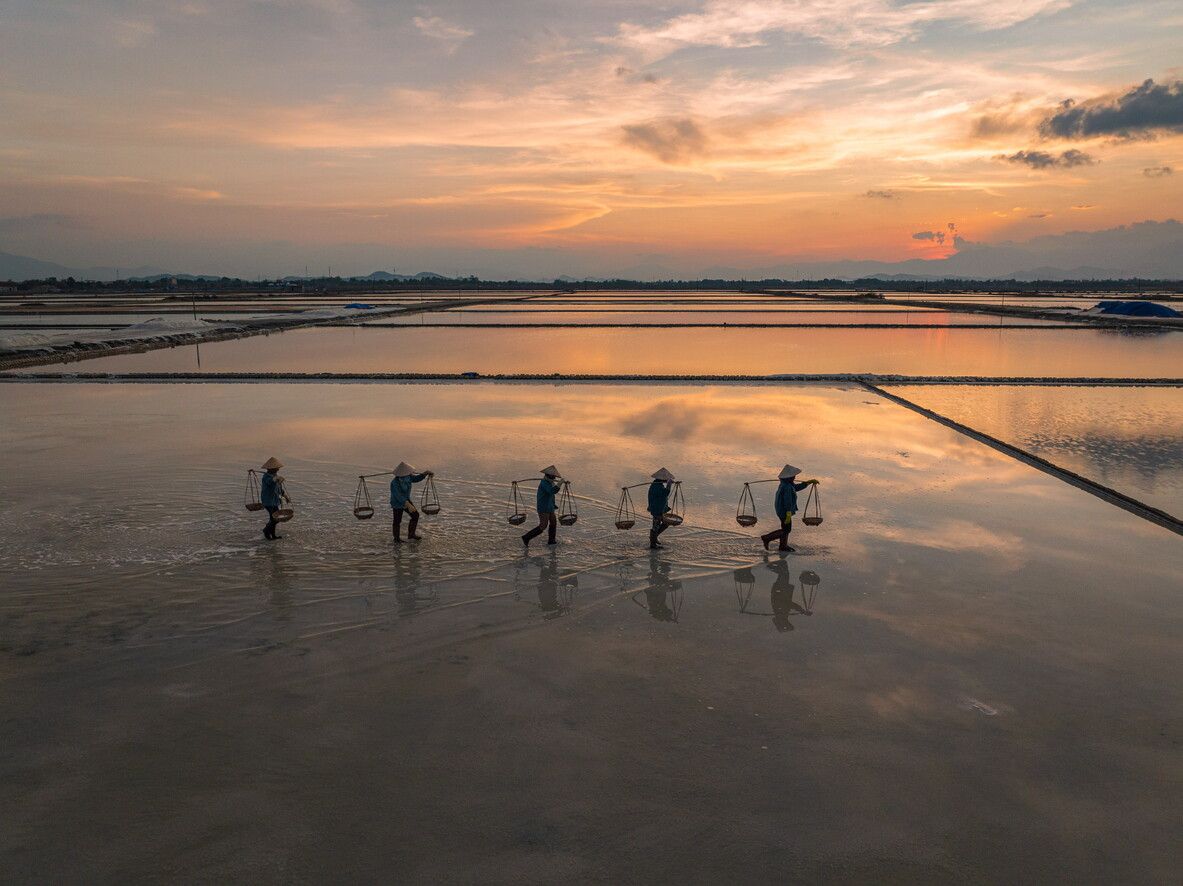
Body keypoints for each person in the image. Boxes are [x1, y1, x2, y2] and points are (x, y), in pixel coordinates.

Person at [761, 464, 818, 552]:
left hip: (781, 510)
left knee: (786, 529)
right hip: (784, 511)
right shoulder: (787, 487)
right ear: (789, 477)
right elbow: (787, 501)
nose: (794, 477)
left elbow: (796, 488)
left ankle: (783, 546)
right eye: (793, 476)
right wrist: (788, 513)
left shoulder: (787, 484)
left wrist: (807, 483)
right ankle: (767, 538)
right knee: (786, 529)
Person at [522, 465, 564, 548]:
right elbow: (552, 491)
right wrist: (560, 483)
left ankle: (551, 540)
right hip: (543, 507)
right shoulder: (544, 483)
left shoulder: (550, 482)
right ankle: (526, 537)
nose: (554, 477)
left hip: (550, 506)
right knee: (543, 525)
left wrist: (553, 505)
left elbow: (552, 495)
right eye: (553, 476)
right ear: (549, 475)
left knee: (553, 522)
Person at [390, 461, 432, 543]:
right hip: (397, 503)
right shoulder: (394, 482)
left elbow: (416, 479)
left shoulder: (408, 477)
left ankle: (411, 534)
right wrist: (407, 504)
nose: (410, 474)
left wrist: (425, 473)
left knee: (415, 515)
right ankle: (396, 539)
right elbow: (398, 495)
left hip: (406, 500)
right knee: (397, 520)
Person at [260, 456, 290, 541]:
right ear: (271, 469)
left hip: (274, 501)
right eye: (276, 468)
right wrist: (276, 479)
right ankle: (266, 531)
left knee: (274, 518)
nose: (278, 470)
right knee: (275, 519)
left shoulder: (275, 475)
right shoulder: (266, 477)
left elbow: (279, 489)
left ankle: (273, 535)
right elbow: (270, 482)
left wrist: (286, 497)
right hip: (268, 501)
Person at [647, 467, 675, 549]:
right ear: (662, 480)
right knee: (656, 525)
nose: (666, 480)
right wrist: (669, 484)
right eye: (666, 480)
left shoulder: (657, 484)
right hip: (657, 509)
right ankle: (653, 543)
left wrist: (668, 483)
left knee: (663, 523)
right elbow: (665, 493)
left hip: (659, 508)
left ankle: (654, 538)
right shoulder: (656, 486)